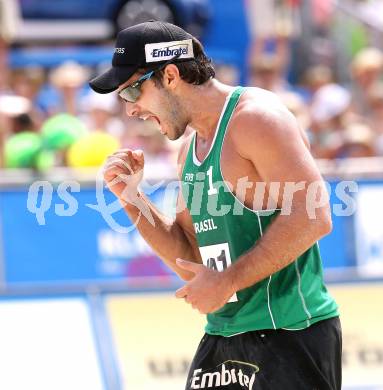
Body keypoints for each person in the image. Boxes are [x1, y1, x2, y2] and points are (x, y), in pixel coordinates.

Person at [90, 21, 342, 390]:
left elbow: (314, 216)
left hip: (289, 330)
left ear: (171, 75)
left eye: (131, 94)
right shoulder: (190, 149)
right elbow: (190, 253)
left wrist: (228, 281)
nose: (130, 111)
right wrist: (131, 198)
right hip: (225, 335)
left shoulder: (255, 119)